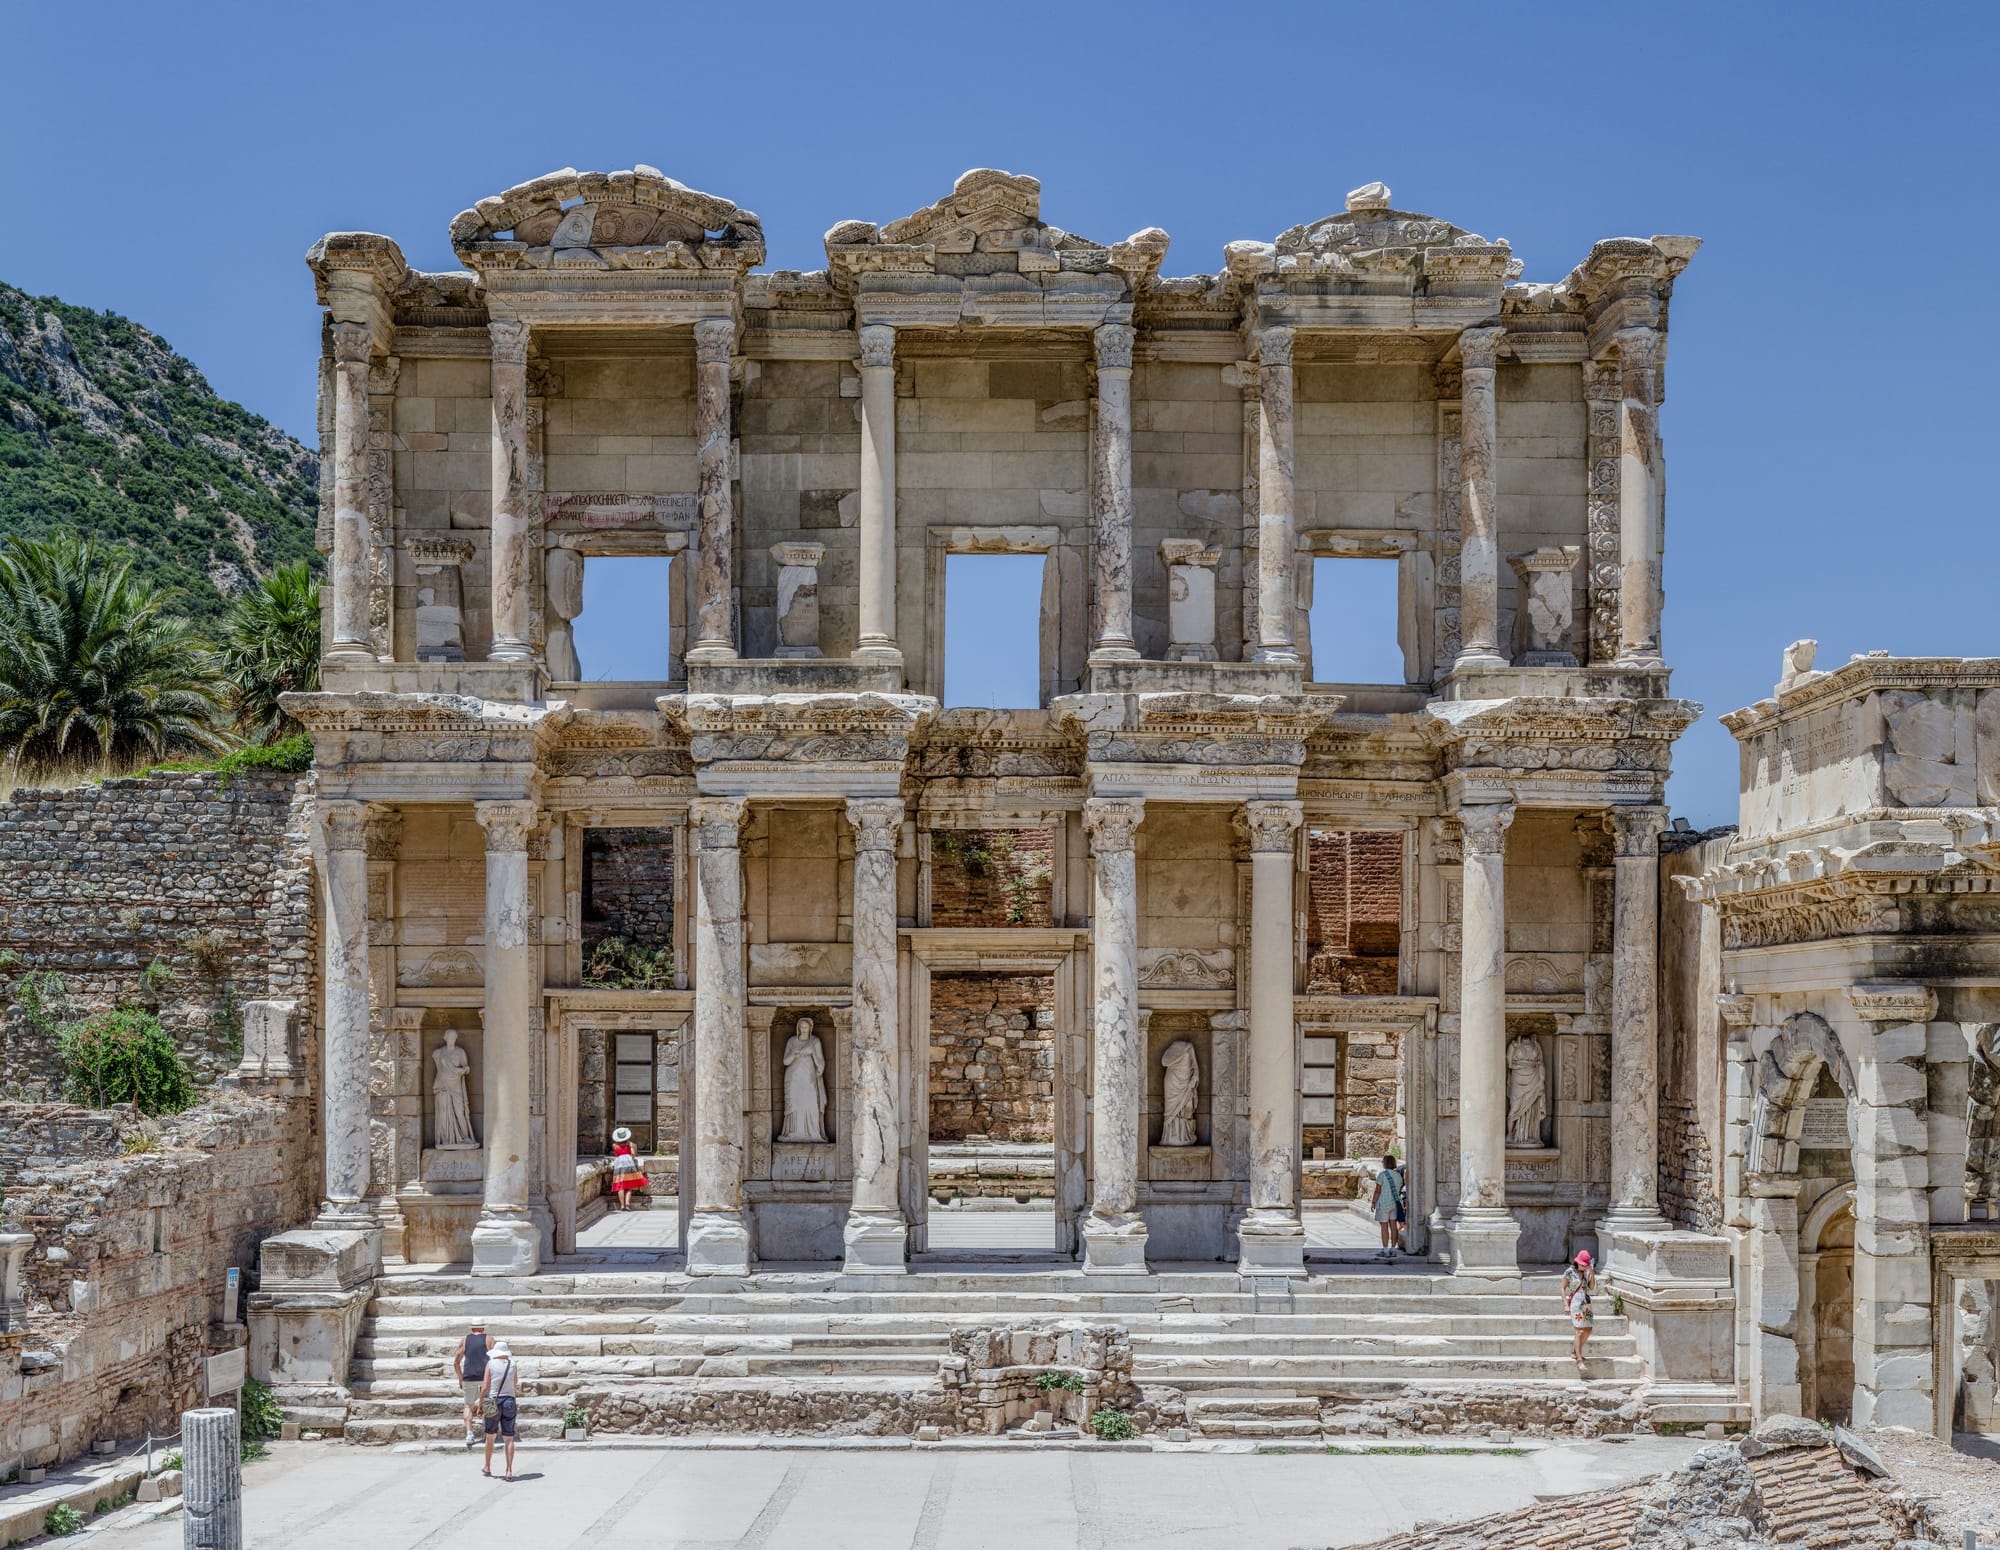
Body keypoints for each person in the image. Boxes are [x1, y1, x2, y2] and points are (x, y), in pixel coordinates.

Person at [480, 1337, 519, 1480]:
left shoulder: (490, 1364)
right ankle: (509, 1470)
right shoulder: (513, 1364)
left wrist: (480, 1405)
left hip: (494, 1400)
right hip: (509, 1400)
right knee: (509, 1438)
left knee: (490, 1436)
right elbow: (515, 1382)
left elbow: (485, 1387)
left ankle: (488, 1466)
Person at [452, 1321, 488, 1447]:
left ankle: (469, 1433)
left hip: (469, 1376)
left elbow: (456, 1361)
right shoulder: (489, 1339)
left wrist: (460, 1377)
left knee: (468, 1405)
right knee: (488, 1403)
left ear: (472, 1328)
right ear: (483, 1327)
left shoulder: (465, 1340)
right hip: (485, 1376)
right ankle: (487, 1432)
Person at [1562, 1249, 1596, 1374]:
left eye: (1585, 1264)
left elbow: (1592, 1287)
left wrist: (1592, 1272)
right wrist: (1565, 1304)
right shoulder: (1570, 1272)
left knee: (1588, 1330)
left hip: (1586, 1303)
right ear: (1577, 1262)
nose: (1584, 1266)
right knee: (1579, 1330)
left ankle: (1575, 1351)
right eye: (1583, 1264)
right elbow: (1562, 1287)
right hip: (1576, 1303)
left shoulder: (1587, 1273)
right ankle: (1579, 1360)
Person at [1369, 1153, 1402, 1261]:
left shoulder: (1382, 1175)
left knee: (1384, 1226)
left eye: (1383, 1162)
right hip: (1395, 1203)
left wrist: (1373, 1202)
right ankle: (1393, 1249)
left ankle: (1385, 1249)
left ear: (1385, 1163)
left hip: (1383, 1203)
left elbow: (1378, 1190)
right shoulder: (1398, 1176)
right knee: (1393, 1226)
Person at [609, 1126, 648, 1210]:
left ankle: (622, 1205)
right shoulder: (629, 1144)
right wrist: (631, 1148)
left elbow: (617, 1154)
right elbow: (633, 1154)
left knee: (621, 1186)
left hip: (619, 1165)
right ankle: (627, 1204)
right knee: (629, 1186)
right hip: (629, 1164)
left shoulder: (614, 1145)